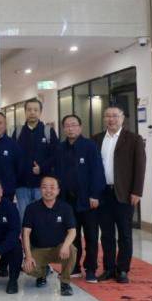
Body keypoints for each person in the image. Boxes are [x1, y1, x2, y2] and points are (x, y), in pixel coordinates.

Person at [93, 105, 146, 284]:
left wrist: (137, 191)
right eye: (107, 116)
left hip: (124, 193)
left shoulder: (133, 139)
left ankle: (122, 269)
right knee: (106, 234)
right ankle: (109, 268)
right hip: (103, 194)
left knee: (125, 234)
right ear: (104, 119)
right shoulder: (97, 139)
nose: (111, 119)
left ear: (122, 118)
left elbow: (140, 166)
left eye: (115, 116)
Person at [55, 114, 106, 282]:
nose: (70, 128)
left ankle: (90, 269)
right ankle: (74, 267)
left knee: (91, 236)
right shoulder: (60, 148)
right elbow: (56, 173)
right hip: (67, 201)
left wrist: (95, 195)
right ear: (64, 129)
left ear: (80, 127)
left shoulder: (89, 146)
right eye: (67, 126)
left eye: (74, 125)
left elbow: (97, 172)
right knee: (72, 235)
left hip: (88, 200)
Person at [22, 176, 78, 296]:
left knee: (71, 249)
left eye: (52, 187)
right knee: (28, 268)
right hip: (38, 249)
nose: (48, 190)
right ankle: (43, 272)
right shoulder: (31, 209)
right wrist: (28, 256)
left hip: (58, 249)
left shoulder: (66, 208)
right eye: (44, 187)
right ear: (40, 189)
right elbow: (25, 233)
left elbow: (72, 231)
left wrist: (65, 245)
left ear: (58, 191)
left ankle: (65, 282)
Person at [12, 98, 59, 219]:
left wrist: (42, 168)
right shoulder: (18, 132)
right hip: (22, 185)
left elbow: (55, 155)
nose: (32, 112)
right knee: (24, 218)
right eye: (29, 110)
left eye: (35, 110)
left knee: (42, 218)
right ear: (25, 112)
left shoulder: (48, 131)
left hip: (42, 185)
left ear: (40, 112)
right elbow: (13, 156)